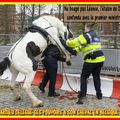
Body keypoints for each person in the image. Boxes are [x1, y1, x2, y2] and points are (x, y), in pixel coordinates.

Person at [66, 24, 105, 104]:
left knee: (84, 77)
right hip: (100, 60)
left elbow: (73, 43)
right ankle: (99, 94)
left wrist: (67, 41)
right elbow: (84, 46)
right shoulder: (95, 36)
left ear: (87, 29)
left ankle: (83, 94)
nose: (84, 30)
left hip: (91, 61)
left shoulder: (86, 35)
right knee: (96, 77)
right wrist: (76, 50)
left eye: (85, 29)